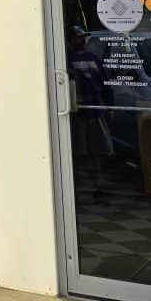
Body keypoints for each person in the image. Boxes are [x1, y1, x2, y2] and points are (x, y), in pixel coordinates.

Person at [66, 26, 113, 201]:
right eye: (79, 38)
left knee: (97, 151)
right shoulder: (66, 60)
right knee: (79, 151)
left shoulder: (93, 58)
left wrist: (109, 105)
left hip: (95, 110)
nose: (82, 41)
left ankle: (97, 187)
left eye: (83, 38)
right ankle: (75, 188)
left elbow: (105, 83)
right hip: (77, 113)